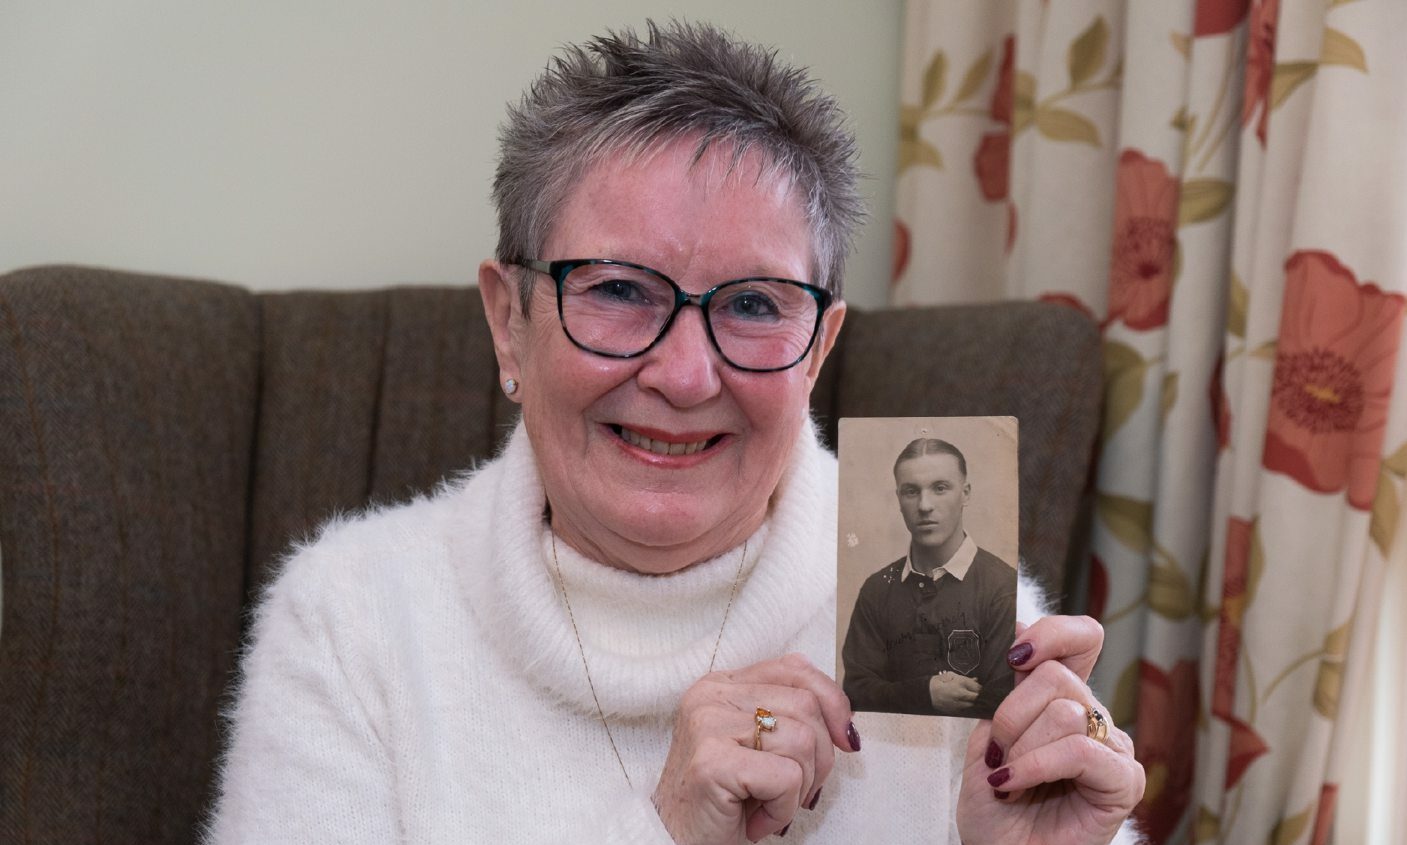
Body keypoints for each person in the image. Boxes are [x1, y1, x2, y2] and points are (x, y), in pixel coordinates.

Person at [207, 20, 1144, 844]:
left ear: (818, 348)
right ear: (508, 322)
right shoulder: (353, 621)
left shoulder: (967, 620)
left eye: (751, 304)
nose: (686, 374)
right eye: (617, 289)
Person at [842, 438, 1017, 719]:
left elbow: (1004, 702)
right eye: (911, 491)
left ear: (966, 493)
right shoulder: (877, 588)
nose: (925, 505)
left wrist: (895, 694)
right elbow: (856, 692)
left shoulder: (1001, 586)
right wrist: (925, 693)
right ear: (898, 498)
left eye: (940, 488)